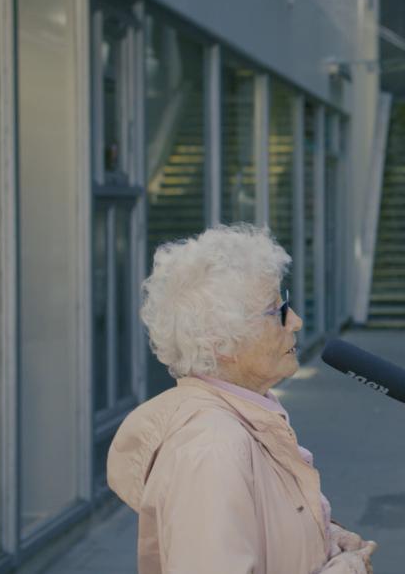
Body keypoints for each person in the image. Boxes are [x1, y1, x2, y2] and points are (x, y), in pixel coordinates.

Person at [107, 224, 376, 573]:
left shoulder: (243, 416)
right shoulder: (213, 447)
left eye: (287, 304)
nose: (295, 321)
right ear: (222, 342)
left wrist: (325, 535)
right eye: (276, 311)